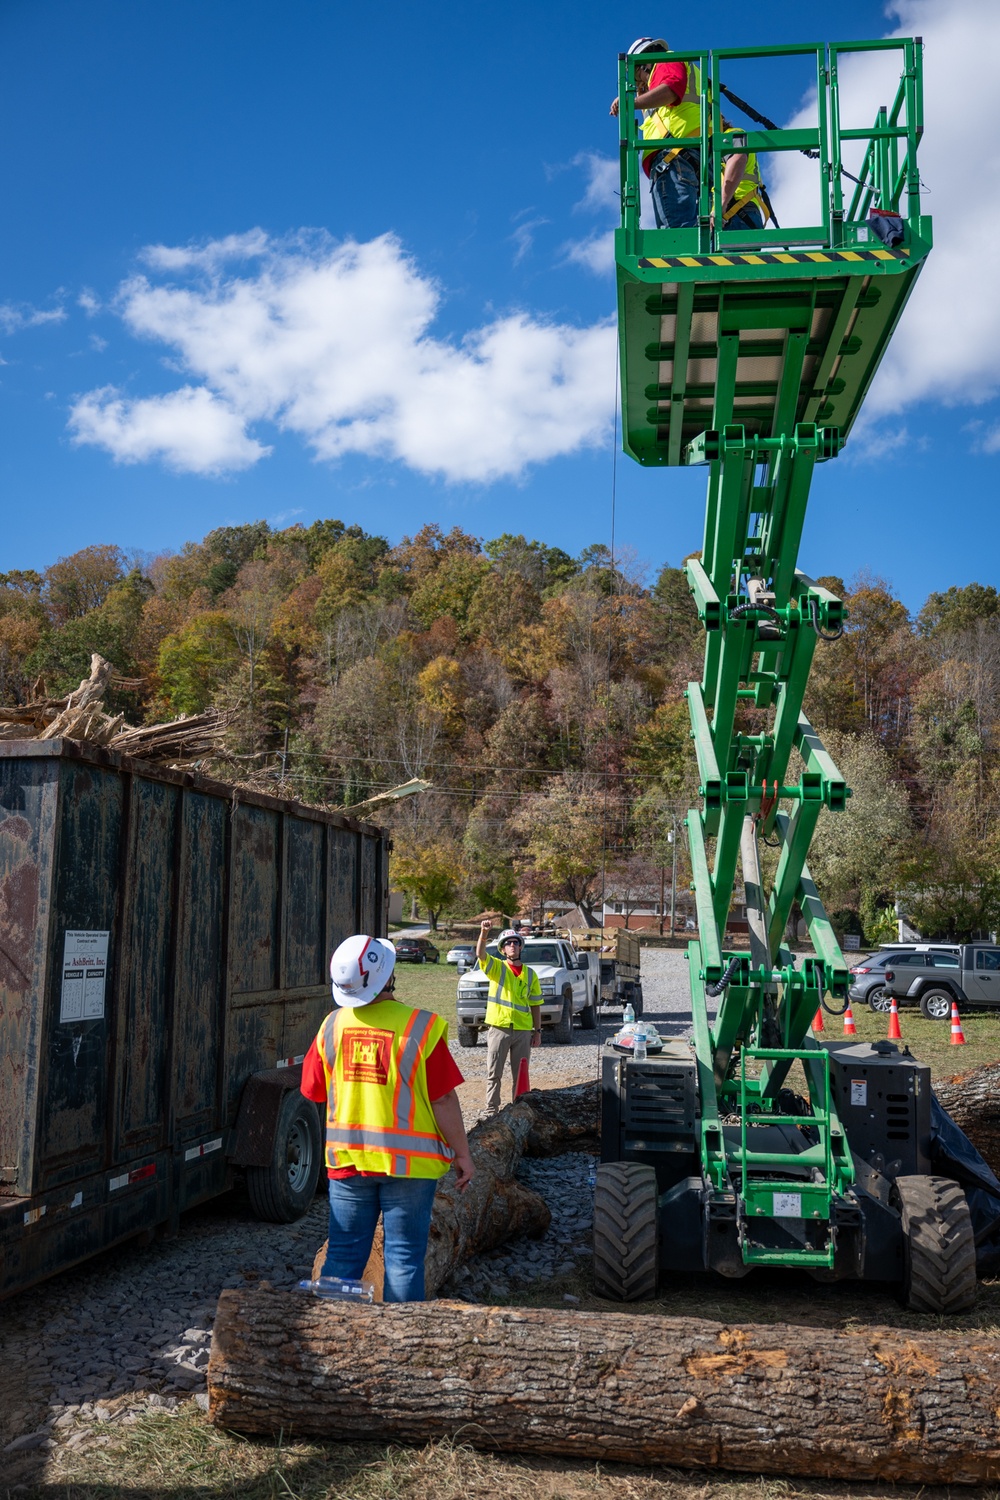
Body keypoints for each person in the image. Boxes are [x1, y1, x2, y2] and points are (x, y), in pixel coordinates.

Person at [300, 933, 474, 1303]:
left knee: (344, 1255)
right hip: (410, 1168)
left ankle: (331, 1338)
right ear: (389, 974)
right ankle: (401, 1347)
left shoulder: (331, 1026)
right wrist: (463, 1155)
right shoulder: (422, 1028)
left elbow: (312, 1091)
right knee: (404, 1261)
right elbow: (442, 1099)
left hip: (348, 1164)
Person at [610, 37, 702, 230]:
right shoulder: (682, 69)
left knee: (678, 236)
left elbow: (670, 88)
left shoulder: (664, 62)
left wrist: (630, 103)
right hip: (686, 153)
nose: (641, 84)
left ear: (643, 65)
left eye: (638, 76)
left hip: (675, 156)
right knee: (690, 231)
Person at [475, 918, 542, 1116]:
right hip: (499, 1029)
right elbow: (480, 953)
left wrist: (537, 1031)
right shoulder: (497, 968)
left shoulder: (531, 975)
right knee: (494, 1073)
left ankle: (518, 1110)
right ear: (503, 949)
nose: (512, 945)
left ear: (521, 947)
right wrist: (484, 934)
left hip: (522, 1031)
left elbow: (536, 1005)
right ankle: (491, 1111)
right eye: (508, 943)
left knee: (520, 1074)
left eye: (515, 943)